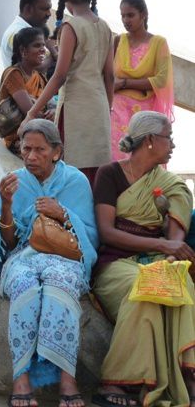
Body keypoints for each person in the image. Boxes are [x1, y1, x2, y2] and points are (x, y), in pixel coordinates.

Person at [0, 119, 98, 407]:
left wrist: (62, 213)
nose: (30, 156)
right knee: (24, 287)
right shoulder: (14, 182)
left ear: (56, 151)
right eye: (25, 148)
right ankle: (21, 378)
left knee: (60, 284)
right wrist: (5, 204)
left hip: (64, 256)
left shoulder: (76, 181)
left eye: (39, 149)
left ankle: (68, 378)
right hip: (24, 256)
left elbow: (90, 234)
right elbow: (6, 242)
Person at [91, 111, 195, 407]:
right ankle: (115, 380)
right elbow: (107, 232)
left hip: (154, 259)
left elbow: (175, 241)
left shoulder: (172, 184)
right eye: (168, 138)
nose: (172, 145)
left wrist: (167, 247)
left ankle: (187, 375)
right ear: (150, 140)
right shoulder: (109, 174)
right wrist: (161, 244)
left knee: (179, 280)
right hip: (115, 264)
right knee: (145, 286)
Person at [20, 0, 114, 187]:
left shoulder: (71, 27)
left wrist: (32, 113)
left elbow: (60, 75)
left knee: (70, 175)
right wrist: (107, 107)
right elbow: (109, 75)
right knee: (95, 175)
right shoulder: (105, 27)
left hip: (76, 110)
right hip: (99, 106)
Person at [110, 0, 174, 161]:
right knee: (117, 158)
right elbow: (108, 75)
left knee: (143, 159)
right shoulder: (118, 41)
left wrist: (123, 83)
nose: (125, 20)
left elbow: (161, 80)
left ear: (143, 14)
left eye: (130, 15)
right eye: (122, 15)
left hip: (145, 113)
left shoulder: (158, 43)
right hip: (117, 111)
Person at [0, 27, 52, 156]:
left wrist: (53, 111)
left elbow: (48, 105)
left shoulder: (38, 76)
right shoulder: (14, 74)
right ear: (23, 51)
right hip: (19, 139)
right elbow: (30, 112)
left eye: (43, 45)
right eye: (37, 45)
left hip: (40, 130)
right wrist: (45, 113)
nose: (43, 49)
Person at [0, 0, 55, 68]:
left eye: (49, 9)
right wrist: (53, 53)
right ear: (28, 9)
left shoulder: (30, 31)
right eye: (44, 9)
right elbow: (35, 68)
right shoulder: (17, 32)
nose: (49, 14)